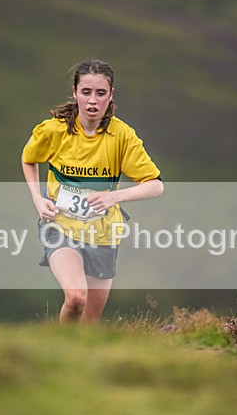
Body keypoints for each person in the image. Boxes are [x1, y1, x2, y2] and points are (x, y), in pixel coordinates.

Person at [21, 59, 164, 322]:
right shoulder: (54, 129)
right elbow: (29, 158)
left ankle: (76, 357)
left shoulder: (122, 136)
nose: (92, 101)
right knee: (76, 298)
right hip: (60, 226)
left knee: (89, 320)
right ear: (75, 92)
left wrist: (114, 196)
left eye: (101, 93)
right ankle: (58, 355)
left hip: (103, 233)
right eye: (86, 92)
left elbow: (155, 185)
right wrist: (37, 199)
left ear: (111, 96)